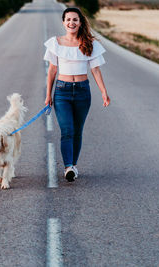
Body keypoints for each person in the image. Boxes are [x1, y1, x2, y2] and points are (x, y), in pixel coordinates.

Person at [43, 7, 110, 182]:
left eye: (75, 20)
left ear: (80, 23)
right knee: (67, 130)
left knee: (78, 131)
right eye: (68, 20)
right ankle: (68, 167)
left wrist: (104, 92)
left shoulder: (90, 43)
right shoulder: (55, 43)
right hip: (62, 92)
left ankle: (73, 164)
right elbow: (52, 71)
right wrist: (48, 95)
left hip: (82, 91)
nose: (71, 23)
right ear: (63, 22)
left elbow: (95, 70)